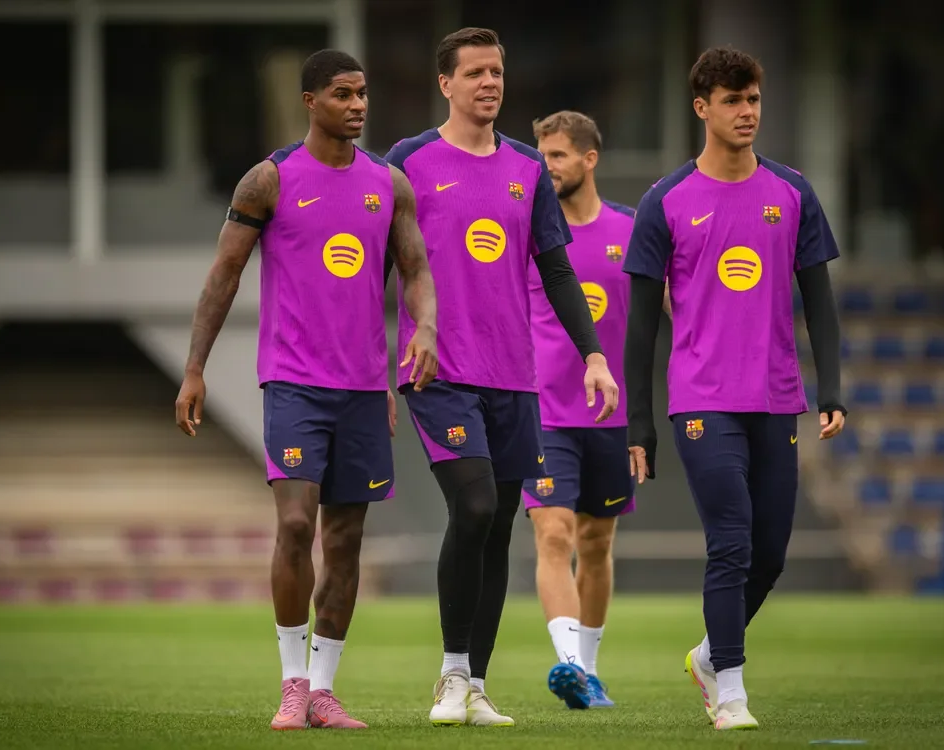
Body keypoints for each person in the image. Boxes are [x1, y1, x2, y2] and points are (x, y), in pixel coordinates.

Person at [173, 49, 438, 732]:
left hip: (362, 389)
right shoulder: (270, 179)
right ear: (310, 102)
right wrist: (195, 368)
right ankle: (292, 684)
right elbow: (224, 273)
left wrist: (426, 328)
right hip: (294, 384)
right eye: (343, 94)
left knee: (344, 540)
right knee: (296, 524)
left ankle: (324, 691)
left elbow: (414, 268)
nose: (358, 105)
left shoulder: (389, 184)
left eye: (363, 93)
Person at [383, 27, 619, 727]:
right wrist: (372, 364)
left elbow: (556, 269)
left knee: (498, 529)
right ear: (445, 84)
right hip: (438, 371)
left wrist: (594, 354)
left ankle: (476, 685)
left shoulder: (526, 168)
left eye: (497, 71)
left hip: (514, 377)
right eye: (475, 72)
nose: (489, 83)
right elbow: (377, 267)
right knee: (477, 506)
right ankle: (451, 676)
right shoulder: (408, 162)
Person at [622, 46, 846, 731]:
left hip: (777, 397)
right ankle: (732, 694)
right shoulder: (665, 202)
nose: (747, 112)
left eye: (753, 99)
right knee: (731, 542)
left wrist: (832, 389)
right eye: (732, 101)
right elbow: (639, 327)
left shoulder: (793, 192)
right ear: (702, 108)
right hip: (702, 399)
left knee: (769, 555)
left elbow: (820, 300)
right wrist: (639, 423)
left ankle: (708, 656)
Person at [521, 111, 636, 710]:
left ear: (590, 159)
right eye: (541, 155)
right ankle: (570, 666)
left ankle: (590, 671)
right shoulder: (527, 233)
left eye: (558, 155)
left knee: (595, 543)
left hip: (610, 418)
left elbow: (673, 306)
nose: (546, 166)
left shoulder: (631, 230)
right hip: (544, 412)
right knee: (554, 534)